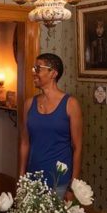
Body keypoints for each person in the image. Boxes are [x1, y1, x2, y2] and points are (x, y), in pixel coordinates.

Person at [19, 53, 83, 199]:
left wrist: (73, 186)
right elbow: (24, 143)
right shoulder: (29, 104)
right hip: (32, 179)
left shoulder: (71, 104)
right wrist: (21, 178)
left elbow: (77, 147)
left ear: (53, 73)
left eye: (38, 68)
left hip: (59, 181)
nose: (33, 72)